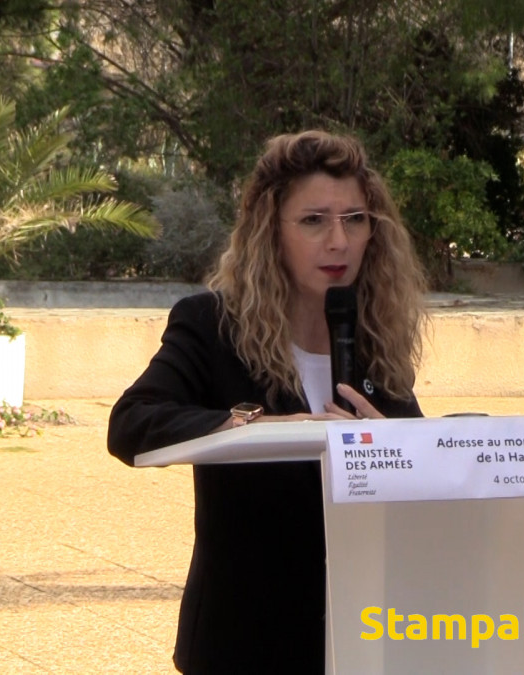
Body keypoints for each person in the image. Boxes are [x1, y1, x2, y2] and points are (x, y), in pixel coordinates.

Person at [107, 130, 428, 673]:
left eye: (355, 219)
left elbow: (424, 482)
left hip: (361, 635)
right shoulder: (211, 326)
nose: (339, 241)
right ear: (268, 232)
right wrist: (255, 426)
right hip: (243, 640)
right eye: (314, 221)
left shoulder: (375, 339)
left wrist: (404, 447)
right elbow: (133, 422)